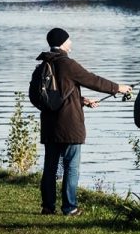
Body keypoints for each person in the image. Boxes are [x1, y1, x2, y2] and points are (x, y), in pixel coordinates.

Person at [36, 27, 131, 215]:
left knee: (50, 167)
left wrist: (81, 101)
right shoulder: (67, 64)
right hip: (70, 126)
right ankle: (69, 207)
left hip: (49, 125)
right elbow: (92, 80)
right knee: (71, 167)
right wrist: (117, 88)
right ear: (63, 42)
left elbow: (47, 95)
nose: (71, 42)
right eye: (69, 39)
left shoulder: (42, 65)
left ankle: (48, 207)